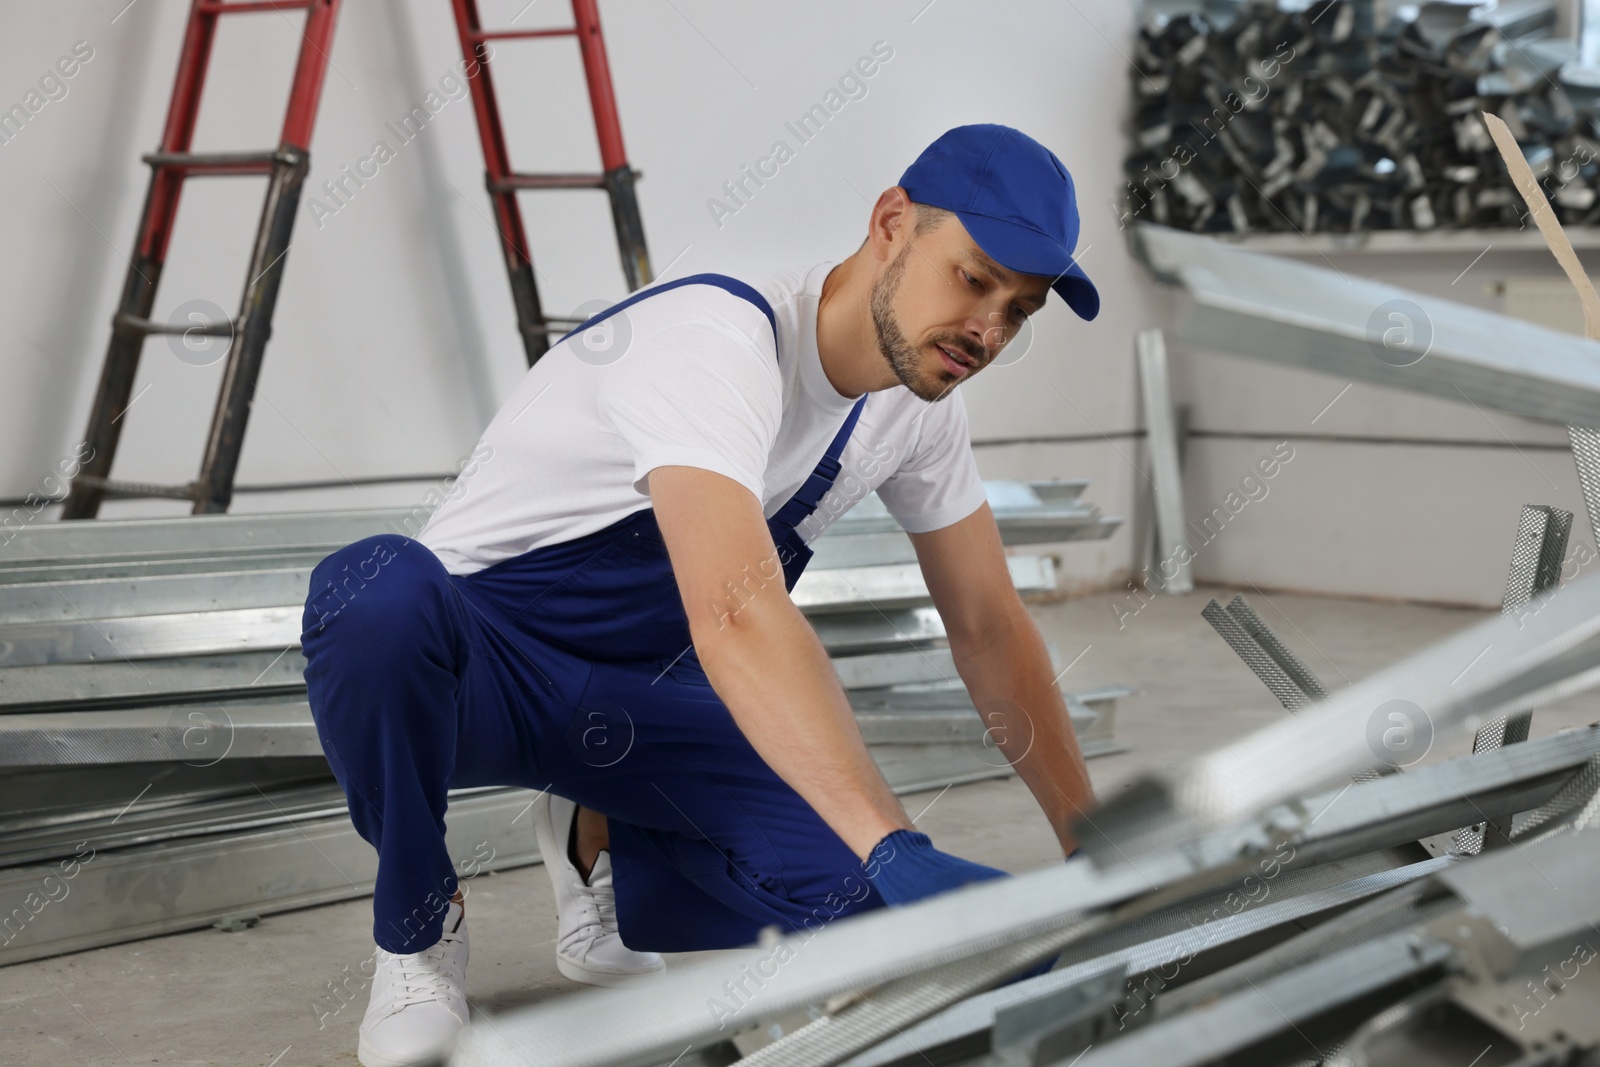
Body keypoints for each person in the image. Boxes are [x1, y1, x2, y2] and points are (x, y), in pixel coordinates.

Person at [300, 122, 1100, 1067]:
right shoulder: (716, 341)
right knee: (371, 590)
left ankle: (600, 824)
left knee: (897, 928)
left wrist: (1096, 847)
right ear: (892, 222)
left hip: (649, 705)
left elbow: (988, 626)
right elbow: (735, 612)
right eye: (975, 279)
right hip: (481, 672)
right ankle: (419, 930)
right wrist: (893, 840)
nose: (989, 330)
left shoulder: (917, 412)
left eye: (1021, 310)